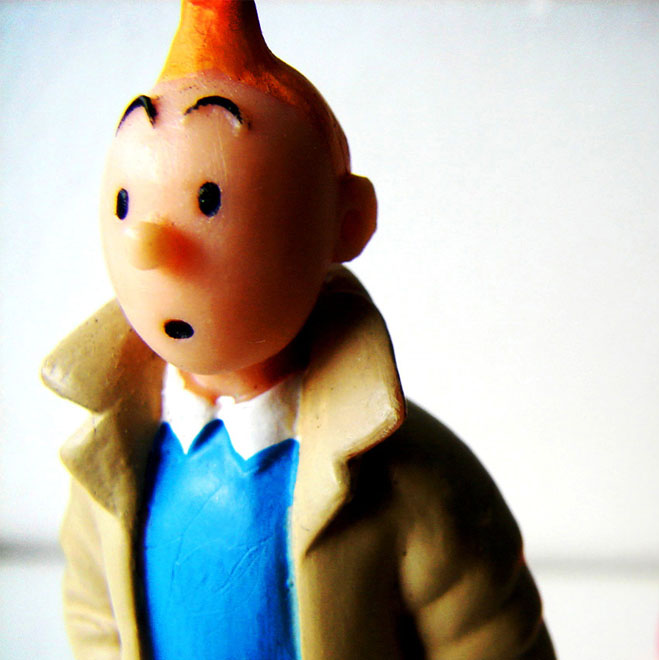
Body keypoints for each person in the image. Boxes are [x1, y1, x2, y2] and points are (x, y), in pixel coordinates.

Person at [42, 1, 554, 658]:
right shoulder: (108, 462)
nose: (150, 244)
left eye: (208, 201)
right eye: (125, 203)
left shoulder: (410, 479)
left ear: (347, 221)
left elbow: (487, 635)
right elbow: (95, 616)